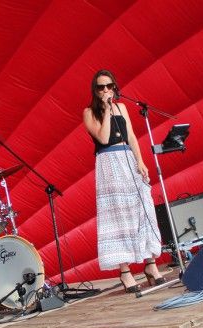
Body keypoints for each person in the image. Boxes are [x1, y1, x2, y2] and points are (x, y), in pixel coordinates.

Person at [82, 70, 165, 293]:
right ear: (95, 90)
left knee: (142, 207)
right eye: (101, 87)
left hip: (127, 157)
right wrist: (107, 109)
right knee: (118, 214)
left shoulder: (123, 108)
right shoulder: (89, 112)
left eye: (109, 86)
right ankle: (125, 270)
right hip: (108, 162)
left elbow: (131, 136)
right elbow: (102, 137)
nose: (106, 90)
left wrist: (140, 161)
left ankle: (150, 264)